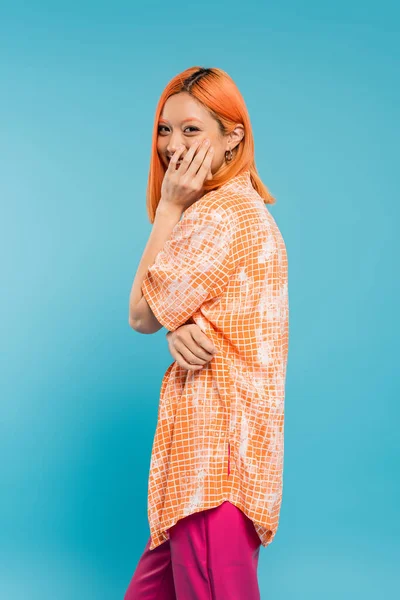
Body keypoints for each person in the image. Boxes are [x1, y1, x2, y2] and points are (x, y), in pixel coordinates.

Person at [126, 66, 289, 599]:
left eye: (191, 129)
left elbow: (141, 314)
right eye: (164, 129)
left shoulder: (221, 214)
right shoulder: (237, 210)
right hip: (206, 461)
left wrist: (169, 206)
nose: (173, 146)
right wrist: (179, 326)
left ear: (232, 137)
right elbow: (186, 313)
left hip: (213, 464)